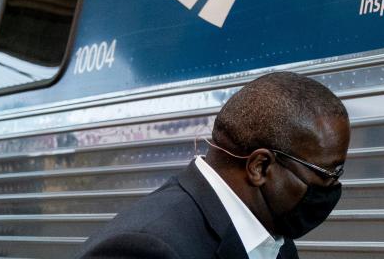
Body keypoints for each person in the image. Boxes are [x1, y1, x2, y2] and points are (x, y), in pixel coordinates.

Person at [75, 71, 350, 259]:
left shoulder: (271, 237)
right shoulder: (144, 249)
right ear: (260, 167)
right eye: (327, 173)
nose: (333, 186)